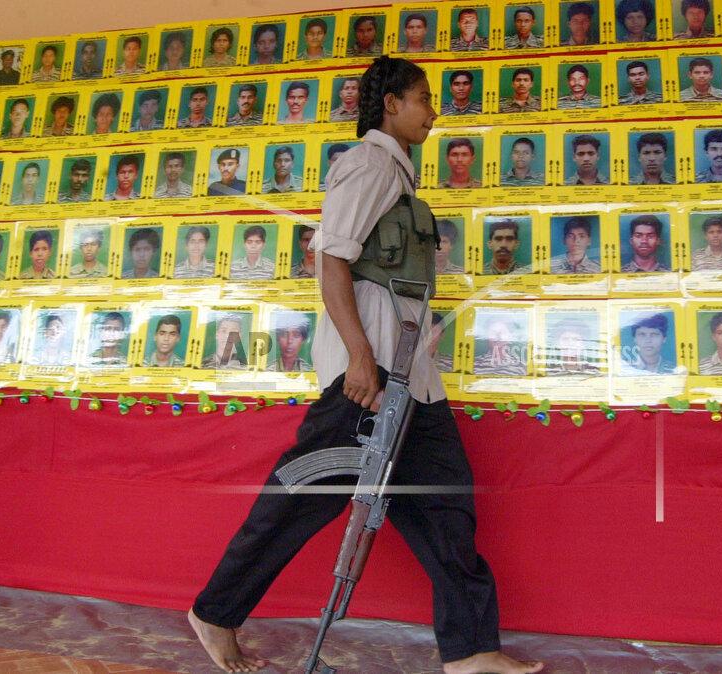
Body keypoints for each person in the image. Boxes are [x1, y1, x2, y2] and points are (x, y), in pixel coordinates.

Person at [183, 65, 535, 674]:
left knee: (443, 503)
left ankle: (471, 650)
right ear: (391, 103)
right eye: (424, 100)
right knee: (298, 499)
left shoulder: (395, 174)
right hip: (368, 380)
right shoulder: (369, 168)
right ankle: (215, 613)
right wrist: (359, 360)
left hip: (411, 378)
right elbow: (330, 263)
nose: (434, 112)